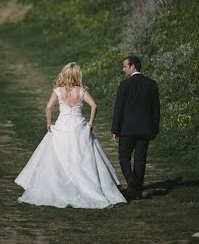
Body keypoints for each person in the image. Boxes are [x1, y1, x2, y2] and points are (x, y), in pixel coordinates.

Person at [15, 62, 126, 208]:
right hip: (79, 126)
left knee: (58, 156)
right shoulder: (82, 91)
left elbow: (48, 107)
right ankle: (90, 187)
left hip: (62, 126)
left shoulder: (58, 91)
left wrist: (49, 123)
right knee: (83, 156)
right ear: (77, 75)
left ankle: (60, 186)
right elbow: (94, 105)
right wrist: (91, 123)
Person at [111, 56, 160, 200]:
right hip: (145, 129)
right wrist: (155, 128)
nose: (123, 69)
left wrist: (115, 129)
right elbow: (156, 109)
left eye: (125, 66)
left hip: (127, 128)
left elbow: (118, 109)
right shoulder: (151, 84)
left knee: (124, 157)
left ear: (133, 66)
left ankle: (131, 181)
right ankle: (137, 190)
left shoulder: (124, 85)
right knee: (140, 159)